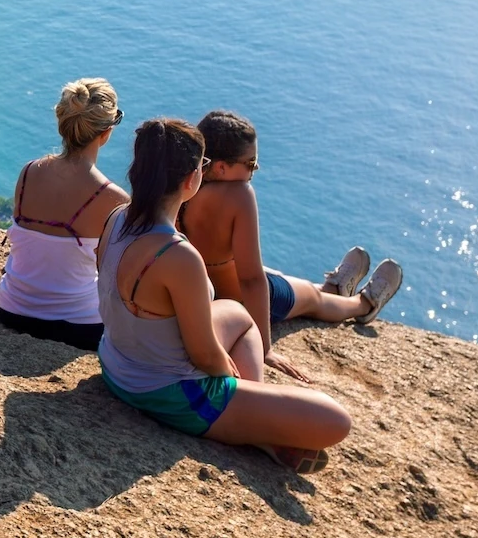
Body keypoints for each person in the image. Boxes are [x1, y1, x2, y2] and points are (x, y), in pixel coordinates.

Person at [95, 119, 351, 472]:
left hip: (115, 365)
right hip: (165, 393)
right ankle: (252, 427)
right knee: (336, 420)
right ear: (190, 181)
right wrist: (222, 369)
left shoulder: (116, 218)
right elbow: (203, 354)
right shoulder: (177, 255)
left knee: (235, 313)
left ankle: (253, 420)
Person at [180, 109, 402, 376]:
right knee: (311, 297)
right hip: (239, 301)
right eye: (250, 163)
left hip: (200, 296)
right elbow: (251, 280)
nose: (255, 169)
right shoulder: (239, 195)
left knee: (279, 276)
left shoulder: (180, 182)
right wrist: (264, 348)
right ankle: (363, 304)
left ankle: (336, 287)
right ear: (221, 167)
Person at [0, 78, 129, 352]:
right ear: (106, 132)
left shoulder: (29, 172)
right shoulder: (115, 198)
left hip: (11, 310)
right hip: (81, 327)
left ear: (62, 123)